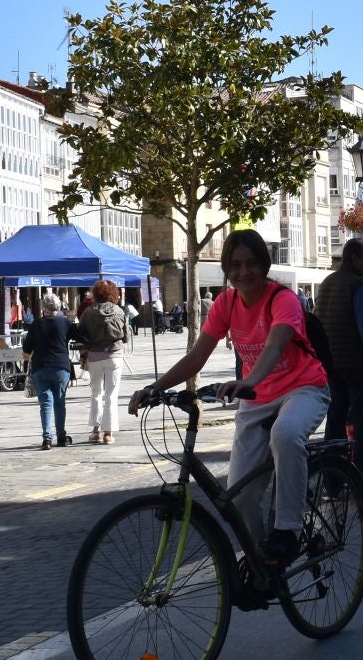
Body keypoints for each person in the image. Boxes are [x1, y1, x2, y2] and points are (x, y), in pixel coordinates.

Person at [130, 230, 331, 569]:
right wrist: (155, 387)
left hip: (303, 388)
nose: (244, 272)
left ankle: (288, 531)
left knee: (286, 435)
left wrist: (249, 379)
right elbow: (197, 357)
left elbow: (276, 344)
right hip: (257, 398)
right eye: (235, 265)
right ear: (226, 268)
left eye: (252, 264)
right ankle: (263, 560)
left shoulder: (281, 299)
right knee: (239, 497)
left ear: (265, 265)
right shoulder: (226, 303)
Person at [317, 239, 363, 498]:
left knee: (334, 422)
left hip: (330, 364)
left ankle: (333, 484)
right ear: (352, 258)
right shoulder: (357, 286)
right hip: (355, 364)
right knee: (362, 423)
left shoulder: (327, 283)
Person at [79, 280, 130, 444]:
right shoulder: (119, 311)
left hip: (95, 355)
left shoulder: (88, 311)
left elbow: (81, 334)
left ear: (96, 293)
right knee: (111, 395)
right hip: (114, 355)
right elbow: (126, 336)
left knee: (96, 393)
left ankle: (95, 431)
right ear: (112, 293)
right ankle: (108, 433)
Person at [22, 293, 74, 449]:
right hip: (61, 367)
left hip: (41, 367)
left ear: (43, 308)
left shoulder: (36, 324)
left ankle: (47, 439)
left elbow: (26, 349)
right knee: (60, 402)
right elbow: (80, 335)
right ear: (57, 307)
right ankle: (62, 436)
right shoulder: (65, 322)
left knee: (45, 404)